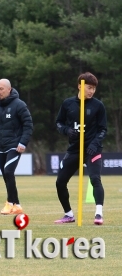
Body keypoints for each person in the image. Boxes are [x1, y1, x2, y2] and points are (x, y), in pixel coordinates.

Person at [54, 72, 107, 225]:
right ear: (80, 86)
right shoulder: (67, 104)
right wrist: (66, 130)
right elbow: (59, 123)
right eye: (89, 87)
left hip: (92, 149)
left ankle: (98, 214)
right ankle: (69, 215)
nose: (92, 91)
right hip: (74, 149)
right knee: (60, 182)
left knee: (95, 179)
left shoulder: (98, 106)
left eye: (94, 88)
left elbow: (103, 129)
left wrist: (94, 143)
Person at [0, 79, 33, 215]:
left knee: (8, 171)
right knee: (6, 174)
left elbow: (28, 125)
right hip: (1, 145)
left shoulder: (19, 105)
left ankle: (9, 203)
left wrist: (22, 143)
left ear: (9, 90)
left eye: (1, 89)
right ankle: (17, 205)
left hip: (14, 145)